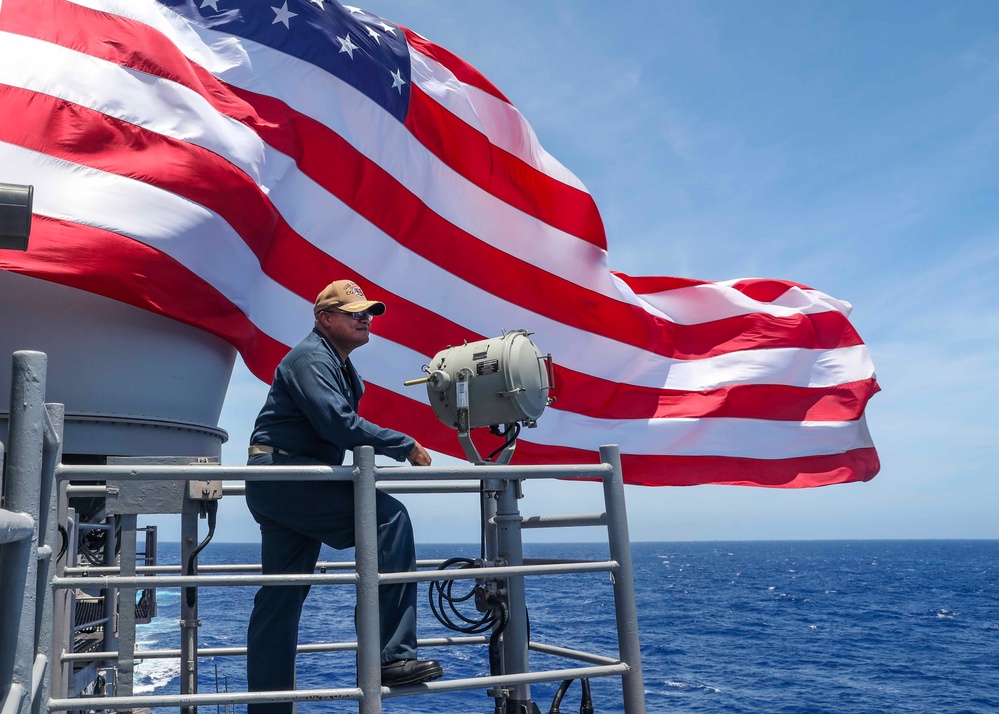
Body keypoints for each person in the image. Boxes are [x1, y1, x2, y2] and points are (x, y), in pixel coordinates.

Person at [244, 279, 442, 713]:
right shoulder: (311, 358)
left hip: (286, 480)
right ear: (324, 319)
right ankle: (391, 656)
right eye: (354, 313)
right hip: (287, 477)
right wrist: (403, 444)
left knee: (281, 597)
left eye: (367, 312)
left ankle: (266, 707)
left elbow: (336, 425)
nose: (365, 318)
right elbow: (339, 423)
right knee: (388, 518)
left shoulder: (336, 364)